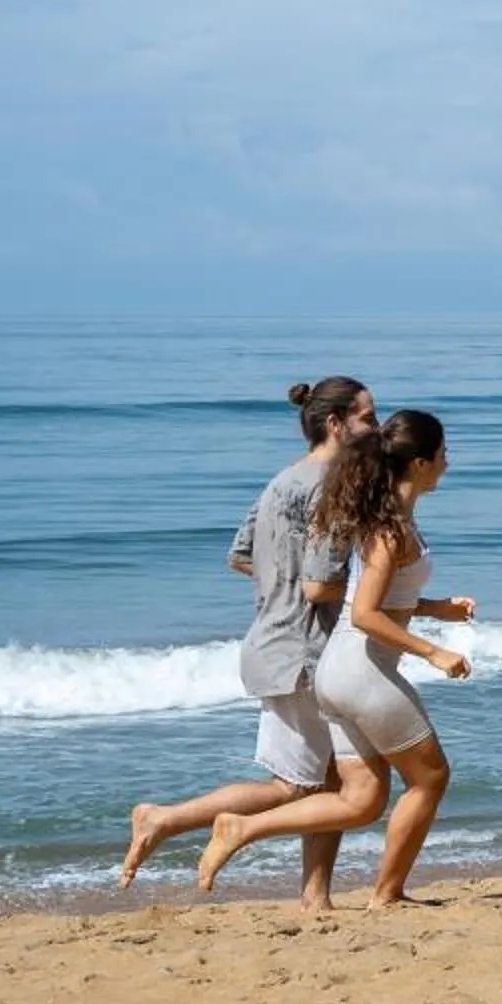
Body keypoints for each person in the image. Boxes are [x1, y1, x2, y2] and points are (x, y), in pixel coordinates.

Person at [118, 378, 383, 911]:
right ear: (336, 425)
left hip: (270, 640)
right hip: (305, 650)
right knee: (300, 789)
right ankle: (168, 818)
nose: (377, 428)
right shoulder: (336, 486)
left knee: (322, 782)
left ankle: (315, 897)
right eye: (368, 418)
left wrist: (279, 586)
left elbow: (240, 555)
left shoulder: (281, 481)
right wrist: (360, 591)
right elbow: (318, 585)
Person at [197, 409, 472, 907]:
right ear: (420, 463)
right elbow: (366, 614)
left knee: (361, 800)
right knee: (430, 778)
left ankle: (241, 828)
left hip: (338, 674)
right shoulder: (392, 530)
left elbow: (376, 600)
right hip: (363, 672)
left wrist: (437, 610)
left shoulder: (390, 519)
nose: (448, 463)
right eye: (443, 454)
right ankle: (387, 893)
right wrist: (434, 651)